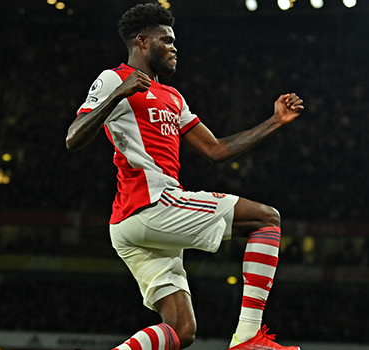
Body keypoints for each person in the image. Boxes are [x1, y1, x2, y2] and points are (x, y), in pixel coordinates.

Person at [66, 3, 304, 350]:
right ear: (143, 42)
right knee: (267, 219)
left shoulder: (173, 97)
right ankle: (249, 336)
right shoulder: (113, 79)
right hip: (149, 204)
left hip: (137, 222)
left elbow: (216, 150)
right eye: (167, 40)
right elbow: (73, 138)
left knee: (182, 329)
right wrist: (118, 94)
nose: (175, 47)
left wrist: (275, 122)